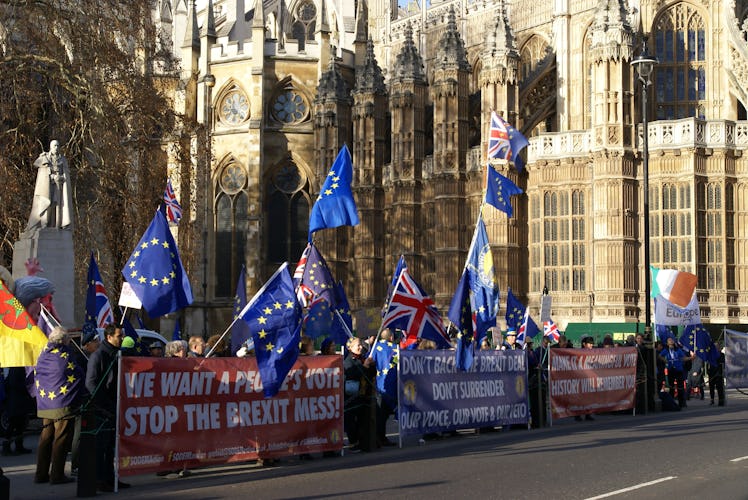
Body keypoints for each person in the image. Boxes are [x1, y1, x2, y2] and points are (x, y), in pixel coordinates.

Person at [34, 327, 85, 484]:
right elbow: (76, 373)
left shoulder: (43, 354)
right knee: (61, 439)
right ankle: (57, 475)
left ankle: (41, 474)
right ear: (63, 341)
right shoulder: (64, 354)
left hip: (45, 402)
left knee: (45, 438)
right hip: (62, 402)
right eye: (68, 339)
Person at [85, 324, 129, 492]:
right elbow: (91, 383)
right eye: (119, 336)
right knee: (101, 446)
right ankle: (99, 479)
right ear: (109, 337)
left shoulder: (117, 354)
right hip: (102, 408)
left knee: (111, 445)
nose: (122, 338)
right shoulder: (99, 355)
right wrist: (102, 405)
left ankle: (111, 478)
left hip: (114, 405)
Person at [25, 139, 73, 233]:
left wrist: (62, 177)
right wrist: (52, 176)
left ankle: (57, 225)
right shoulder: (45, 157)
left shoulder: (62, 159)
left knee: (58, 205)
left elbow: (66, 173)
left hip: (59, 186)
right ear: (51, 147)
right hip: (48, 185)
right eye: (55, 146)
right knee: (48, 203)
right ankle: (44, 223)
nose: (56, 148)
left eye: (58, 146)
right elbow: (40, 168)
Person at [70, 329, 100, 475]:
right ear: (87, 344)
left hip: (90, 400)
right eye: (95, 342)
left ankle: (86, 461)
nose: (98, 344)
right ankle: (76, 464)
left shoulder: (91, 356)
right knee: (80, 434)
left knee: (89, 434)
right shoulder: (80, 358)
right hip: (83, 400)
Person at [343, 337, 375, 452]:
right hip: (351, 396)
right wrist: (364, 366)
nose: (360, 347)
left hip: (363, 395)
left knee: (362, 420)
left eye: (361, 345)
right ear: (350, 347)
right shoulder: (348, 360)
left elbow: (369, 375)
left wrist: (371, 365)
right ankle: (353, 442)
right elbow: (351, 374)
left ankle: (364, 442)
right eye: (357, 345)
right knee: (350, 421)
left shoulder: (362, 358)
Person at [658, 337, 693, 408]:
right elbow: (659, 356)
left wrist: (691, 358)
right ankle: (671, 403)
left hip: (679, 370)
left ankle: (682, 403)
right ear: (667, 343)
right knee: (671, 387)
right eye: (669, 341)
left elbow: (683, 358)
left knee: (680, 387)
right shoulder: (666, 350)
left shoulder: (678, 350)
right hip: (671, 369)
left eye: (672, 340)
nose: (671, 341)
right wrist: (664, 360)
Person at [575, 336, 596, 422]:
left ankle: (588, 413)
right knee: (580, 397)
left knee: (589, 397)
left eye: (592, 344)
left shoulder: (594, 353)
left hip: (589, 378)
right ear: (584, 344)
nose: (591, 345)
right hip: (581, 377)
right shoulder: (579, 353)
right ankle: (578, 414)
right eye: (589, 344)